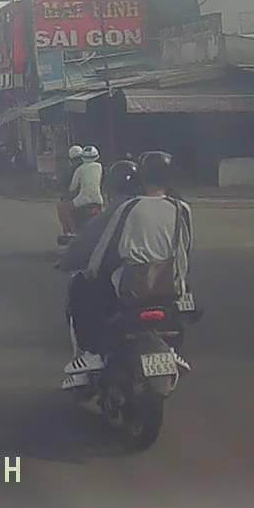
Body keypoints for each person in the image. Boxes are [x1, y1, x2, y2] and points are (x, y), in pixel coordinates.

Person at [62, 151, 193, 389]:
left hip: (132, 283)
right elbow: (185, 247)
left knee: (83, 289)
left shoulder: (130, 207)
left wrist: (92, 272)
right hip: (170, 284)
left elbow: (106, 245)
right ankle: (172, 350)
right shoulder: (181, 207)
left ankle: (92, 353)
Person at [60, 159, 141, 273]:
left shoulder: (110, 216)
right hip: (98, 200)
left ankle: (70, 230)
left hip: (121, 277)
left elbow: (73, 256)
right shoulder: (99, 167)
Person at [68, 145, 105, 230]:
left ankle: (72, 232)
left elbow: (72, 188)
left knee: (68, 211)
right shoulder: (100, 167)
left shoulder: (79, 169)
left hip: (82, 201)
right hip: (98, 201)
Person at [57, 145, 84, 235]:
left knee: (62, 207)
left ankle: (69, 233)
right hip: (94, 198)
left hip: (77, 198)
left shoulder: (73, 170)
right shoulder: (94, 167)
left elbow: (70, 188)